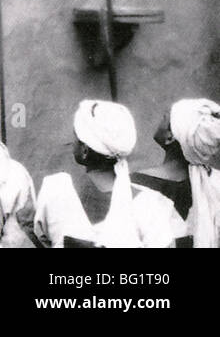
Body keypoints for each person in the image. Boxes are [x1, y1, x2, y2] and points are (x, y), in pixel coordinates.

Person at [34, 100, 186, 248]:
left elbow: (42, 238)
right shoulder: (149, 204)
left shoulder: (56, 190)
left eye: (75, 136)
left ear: (85, 150)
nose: (72, 142)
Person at [132, 98, 220, 247]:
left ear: (170, 137)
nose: (161, 118)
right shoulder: (216, 182)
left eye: (165, 116)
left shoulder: (134, 187)